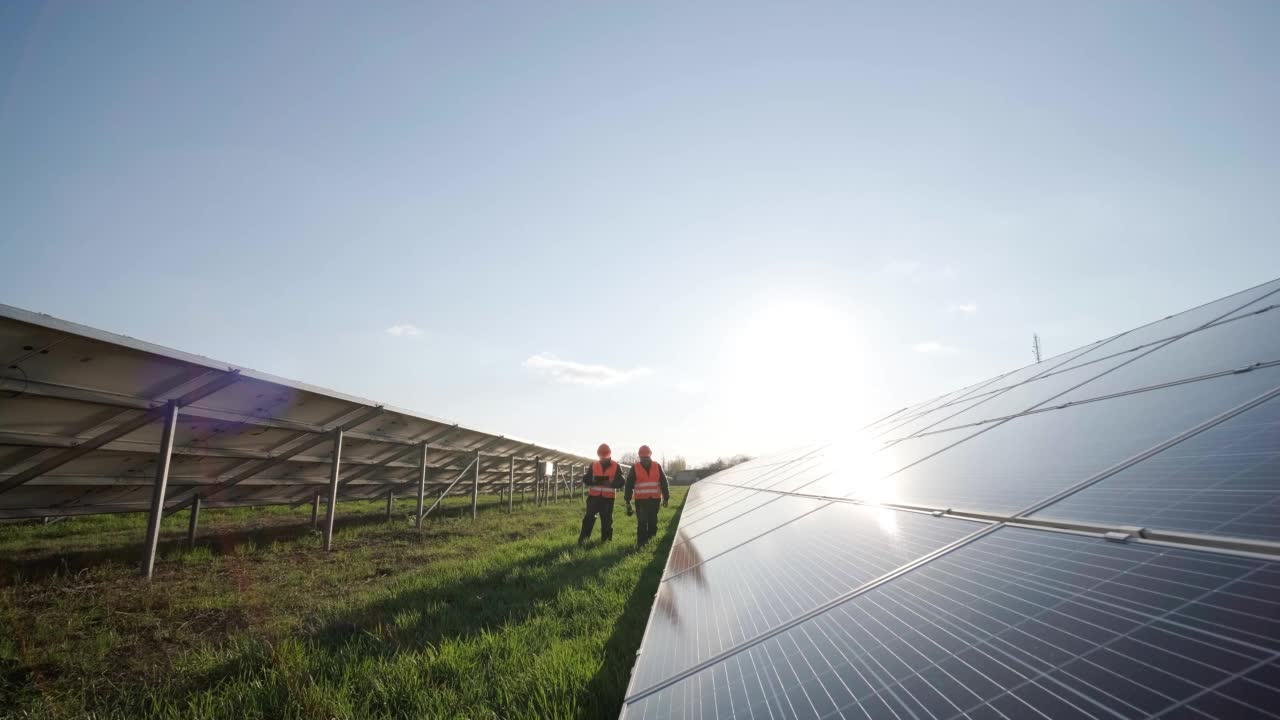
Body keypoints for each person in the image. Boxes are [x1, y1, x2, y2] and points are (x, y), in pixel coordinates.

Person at [579, 443, 624, 545]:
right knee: (588, 519)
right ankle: (583, 541)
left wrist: (611, 483)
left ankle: (606, 542)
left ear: (609, 455)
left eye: (604, 456)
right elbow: (586, 479)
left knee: (607, 521)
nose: (602, 458)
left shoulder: (616, 466)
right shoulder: (594, 465)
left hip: (607, 499)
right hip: (594, 497)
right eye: (600, 456)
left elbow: (621, 482)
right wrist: (594, 480)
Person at [625, 445, 669, 547]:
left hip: (653, 499)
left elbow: (663, 482)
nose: (645, 459)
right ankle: (642, 543)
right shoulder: (635, 468)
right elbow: (629, 485)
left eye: (646, 457)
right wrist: (627, 501)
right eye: (643, 458)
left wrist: (666, 498)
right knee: (643, 522)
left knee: (651, 521)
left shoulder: (657, 466)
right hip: (642, 501)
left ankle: (649, 542)